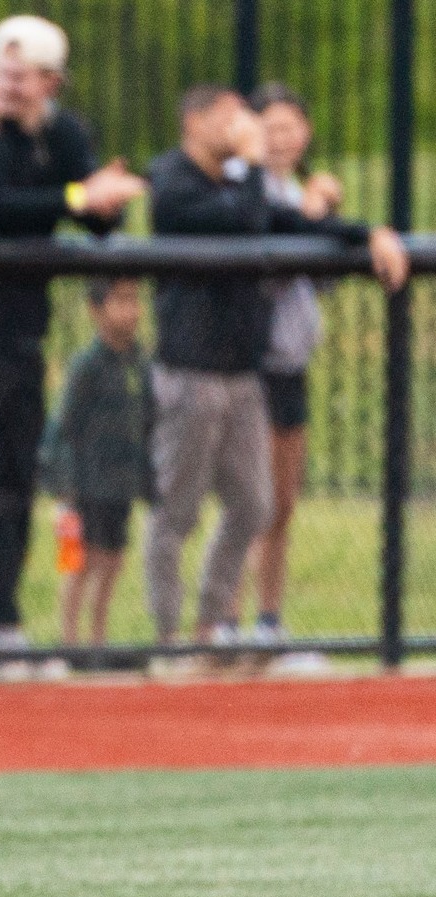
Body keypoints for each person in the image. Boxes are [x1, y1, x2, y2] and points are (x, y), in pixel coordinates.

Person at [144, 86, 406, 657]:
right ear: (195, 121)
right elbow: (240, 224)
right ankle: (166, 637)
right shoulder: (171, 180)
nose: (243, 127)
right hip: (190, 369)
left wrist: (369, 234)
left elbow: (288, 223)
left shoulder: (240, 184)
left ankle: (213, 625)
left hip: (243, 372)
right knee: (177, 508)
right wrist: (258, 165)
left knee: (256, 506)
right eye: (229, 117)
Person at [0, 16, 145, 667]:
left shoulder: (64, 132)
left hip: (26, 324)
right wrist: (80, 195)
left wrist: (104, 202)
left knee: (16, 468)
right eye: (3, 73)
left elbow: (96, 217)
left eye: (22, 77)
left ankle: (4, 616)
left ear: (51, 81)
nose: (8, 86)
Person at [240, 83, 337, 669]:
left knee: (282, 504)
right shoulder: (247, 189)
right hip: (255, 363)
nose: (281, 137)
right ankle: (223, 624)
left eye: (291, 126)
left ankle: (268, 622)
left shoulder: (303, 190)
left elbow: (319, 279)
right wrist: (312, 216)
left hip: (293, 363)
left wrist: (325, 215)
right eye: (270, 126)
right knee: (249, 503)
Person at [40, 278, 151, 648]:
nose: (131, 311)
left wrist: (146, 477)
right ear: (96, 310)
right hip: (85, 483)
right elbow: (64, 425)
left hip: (119, 483)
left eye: (134, 300)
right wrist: (63, 481)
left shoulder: (139, 364)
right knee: (79, 561)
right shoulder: (87, 366)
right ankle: (70, 639)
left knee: (112, 559)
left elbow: (147, 422)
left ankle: (97, 637)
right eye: (120, 301)